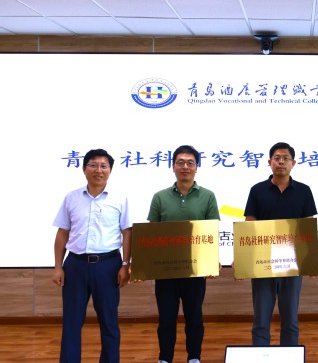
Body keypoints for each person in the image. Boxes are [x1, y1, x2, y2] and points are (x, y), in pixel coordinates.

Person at [52, 148, 132, 363]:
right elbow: (62, 233)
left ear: (110, 170)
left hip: (108, 266)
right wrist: (58, 266)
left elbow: (127, 233)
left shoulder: (120, 198)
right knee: (71, 321)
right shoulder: (71, 198)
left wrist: (125, 264)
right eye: (93, 165)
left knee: (109, 321)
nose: (99, 170)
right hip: (75, 265)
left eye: (104, 166)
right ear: (84, 168)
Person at [147, 145, 220, 363]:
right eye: (180, 162)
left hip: (195, 269)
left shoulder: (208, 196)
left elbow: (211, 232)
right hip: (166, 270)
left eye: (190, 163)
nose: (185, 167)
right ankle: (164, 358)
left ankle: (194, 357)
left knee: (194, 317)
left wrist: (212, 261)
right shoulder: (160, 197)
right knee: (166, 319)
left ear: (197, 167)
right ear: (173, 167)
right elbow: (152, 234)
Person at [243, 142, 317, 346]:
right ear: (269, 162)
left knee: (291, 321)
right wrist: (244, 258)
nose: (281, 162)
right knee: (260, 321)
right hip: (263, 264)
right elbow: (250, 226)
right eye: (277, 158)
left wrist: (311, 258)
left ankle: (289, 357)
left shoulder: (304, 191)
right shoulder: (257, 190)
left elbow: (308, 227)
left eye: (285, 158)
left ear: (293, 163)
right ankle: (261, 358)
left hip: (292, 264)